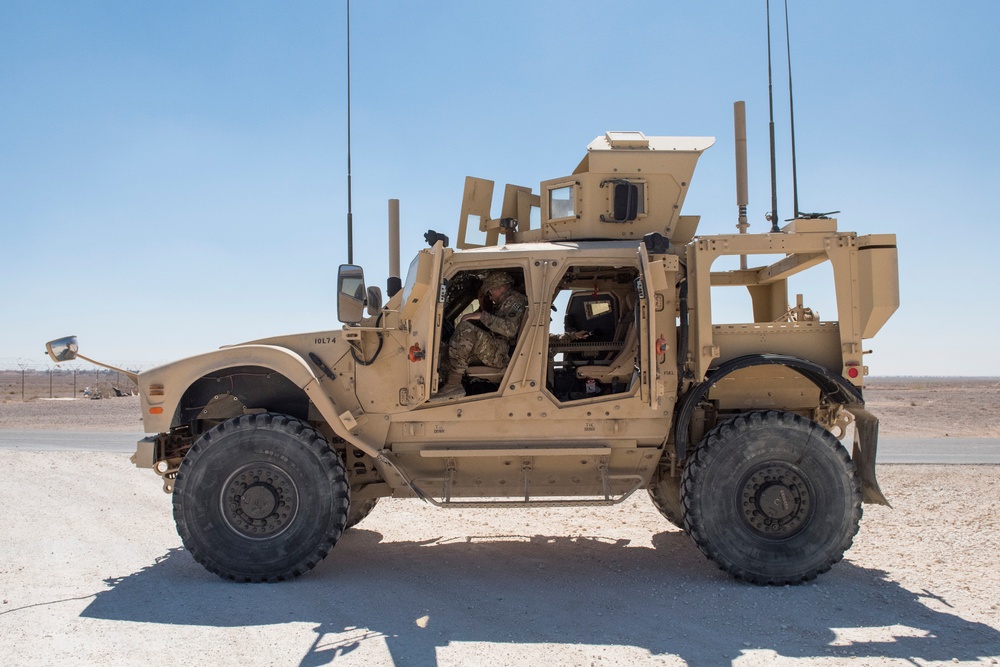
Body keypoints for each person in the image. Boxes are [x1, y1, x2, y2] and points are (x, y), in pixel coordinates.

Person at [436, 271, 528, 400]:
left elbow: (510, 330)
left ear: (500, 287)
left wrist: (482, 316)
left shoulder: (515, 300)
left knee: (466, 330)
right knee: (446, 349)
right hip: (496, 348)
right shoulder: (503, 304)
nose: (490, 297)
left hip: (502, 352)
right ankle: (445, 385)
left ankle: (453, 384)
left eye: (490, 292)